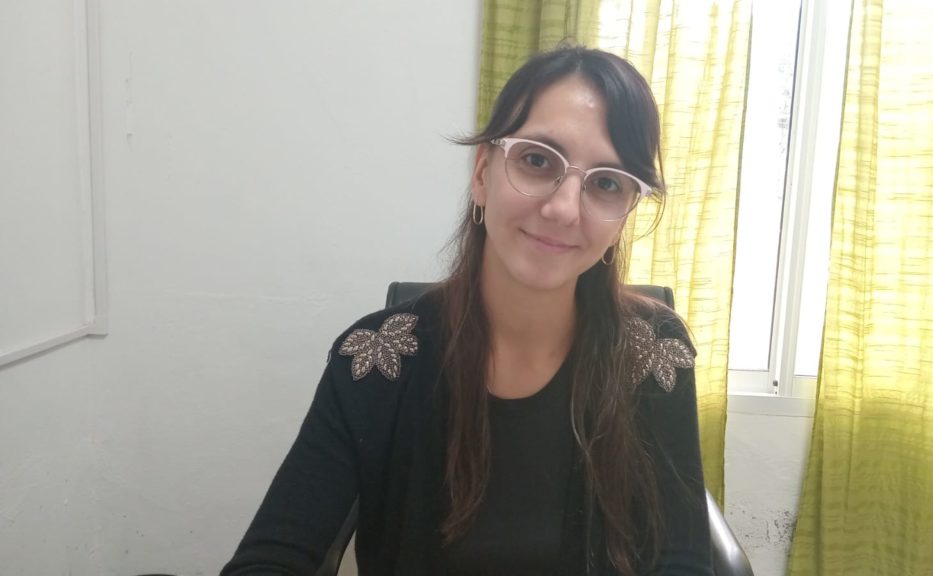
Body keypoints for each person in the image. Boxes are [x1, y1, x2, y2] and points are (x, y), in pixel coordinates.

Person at [221, 45, 713, 576]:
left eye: (607, 183)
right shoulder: (374, 362)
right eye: (537, 160)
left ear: (625, 215)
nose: (564, 209)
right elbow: (269, 559)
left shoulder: (653, 353)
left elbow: (681, 559)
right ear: (482, 174)